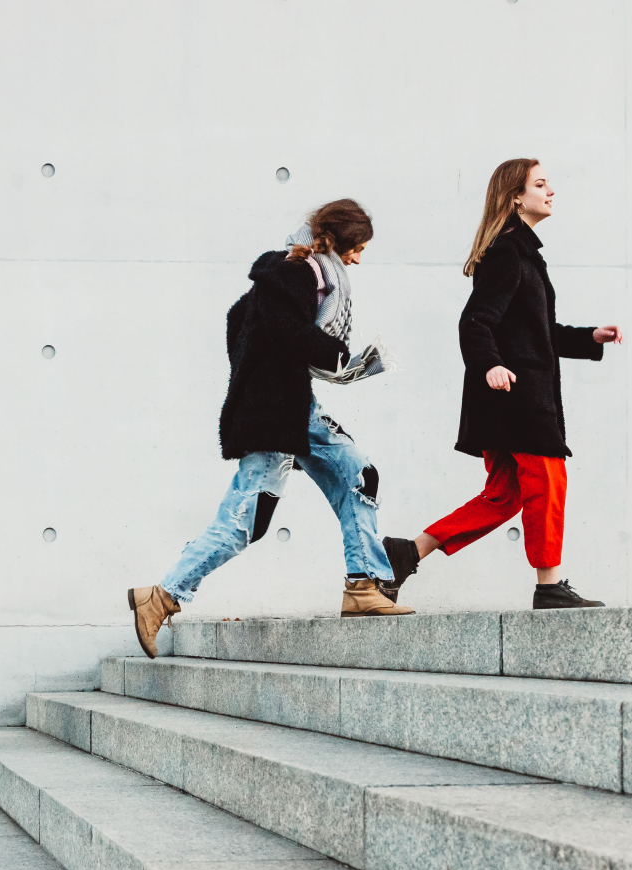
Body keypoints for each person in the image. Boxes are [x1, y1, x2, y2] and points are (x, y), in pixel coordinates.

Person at [127, 199, 423, 658]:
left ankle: (363, 585)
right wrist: (335, 357)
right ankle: (162, 595)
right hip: (275, 414)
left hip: (290, 406)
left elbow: (238, 320)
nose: (358, 259)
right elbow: (284, 328)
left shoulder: (289, 275)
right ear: (340, 240)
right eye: (357, 248)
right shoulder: (298, 273)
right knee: (244, 522)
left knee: (358, 474)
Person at [385, 159, 623, 610]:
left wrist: (590, 337)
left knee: (504, 496)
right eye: (540, 183)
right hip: (516, 398)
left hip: (509, 398)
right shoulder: (507, 253)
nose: (551, 190)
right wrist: (490, 365)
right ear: (516, 197)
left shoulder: (521, 254)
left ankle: (410, 550)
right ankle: (549, 586)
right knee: (547, 482)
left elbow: (537, 332)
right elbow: (475, 321)